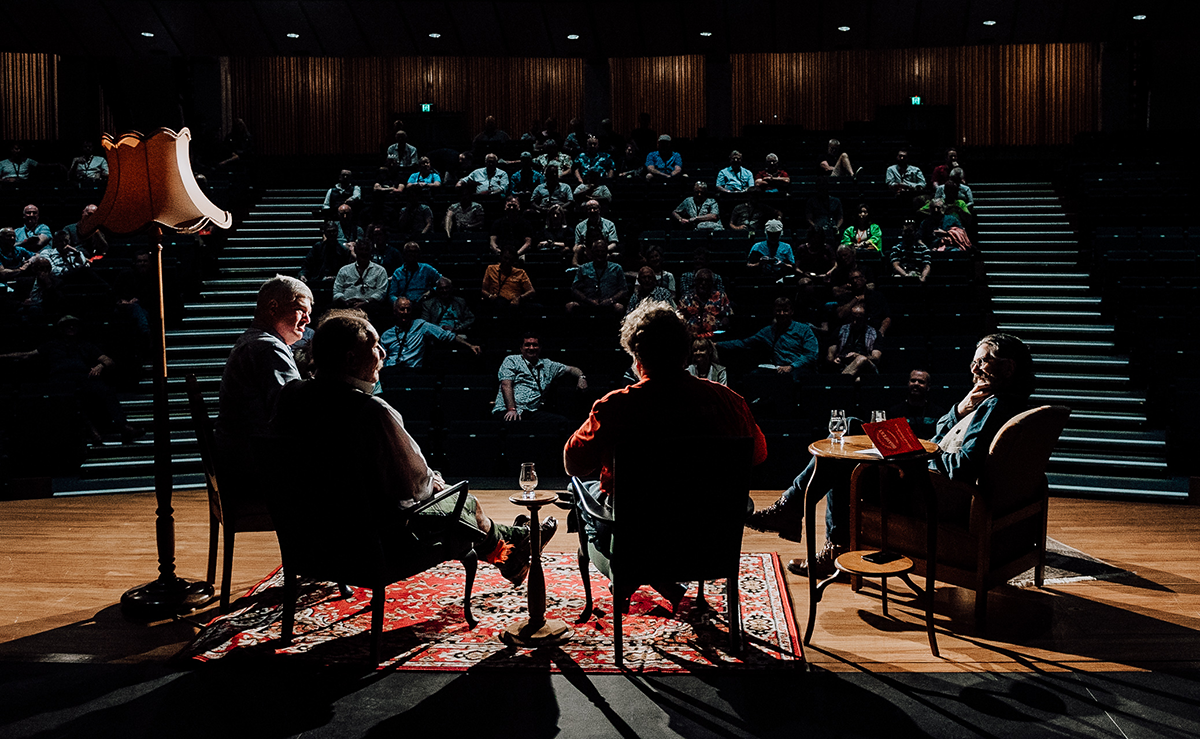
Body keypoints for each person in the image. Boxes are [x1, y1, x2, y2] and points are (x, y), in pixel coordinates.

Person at [272, 311, 554, 588]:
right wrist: (436, 483)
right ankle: (516, 547)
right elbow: (416, 487)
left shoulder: (289, 396)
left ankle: (515, 547)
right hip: (377, 545)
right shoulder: (372, 412)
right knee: (463, 501)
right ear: (350, 358)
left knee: (451, 501)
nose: (383, 354)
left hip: (311, 539)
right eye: (374, 346)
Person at [748, 334, 1036, 576]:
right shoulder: (1003, 402)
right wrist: (961, 408)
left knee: (841, 459)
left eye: (984, 360)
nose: (975, 368)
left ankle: (805, 522)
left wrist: (914, 455)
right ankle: (792, 510)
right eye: (974, 360)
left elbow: (960, 467)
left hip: (928, 492)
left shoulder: (995, 407)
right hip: (926, 480)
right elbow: (942, 432)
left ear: (1008, 368)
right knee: (849, 427)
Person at [563, 301, 768, 603]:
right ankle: (663, 578)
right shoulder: (727, 401)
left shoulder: (615, 406)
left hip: (639, 539)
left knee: (579, 495)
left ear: (637, 357)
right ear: (685, 352)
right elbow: (758, 454)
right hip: (707, 543)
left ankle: (631, 573)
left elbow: (574, 464)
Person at [214, 276, 313, 500]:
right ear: (273, 308)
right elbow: (292, 410)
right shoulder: (267, 348)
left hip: (242, 459)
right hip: (255, 468)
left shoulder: (254, 341)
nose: (308, 319)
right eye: (301, 310)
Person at [0, 315, 141, 445]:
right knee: (68, 400)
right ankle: (92, 432)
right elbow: (26, 355)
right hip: (60, 382)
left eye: (73, 325)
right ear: (61, 329)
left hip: (83, 378)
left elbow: (108, 361)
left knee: (106, 391)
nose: (71, 328)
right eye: (67, 325)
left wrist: (100, 366)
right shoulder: (52, 345)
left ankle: (123, 426)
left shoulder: (85, 345)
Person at [493, 332, 587, 423]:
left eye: (535, 345)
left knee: (561, 422)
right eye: (527, 345)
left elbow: (571, 369)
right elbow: (506, 385)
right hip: (509, 410)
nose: (531, 348)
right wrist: (511, 409)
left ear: (540, 348)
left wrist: (581, 377)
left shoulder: (548, 365)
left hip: (532, 411)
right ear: (521, 348)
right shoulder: (511, 360)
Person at [717, 297, 819, 379]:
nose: (782, 314)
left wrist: (792, 366)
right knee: (753, 376)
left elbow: (810, 354)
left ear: (792, 312)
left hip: (799, 368)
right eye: (778, 311)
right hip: (778, 368)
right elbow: (744, 343)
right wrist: (717, 344)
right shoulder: (768, 331)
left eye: (785, 311)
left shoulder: (804, 329)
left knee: (792, 378)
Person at [380, 297, 479, 370]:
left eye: (408, 309)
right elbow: (380, 359)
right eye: (402, 309)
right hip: (391, 370)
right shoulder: (386, 335)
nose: (405, 312)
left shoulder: (421, 325)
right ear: (395, 311)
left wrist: (470, 345)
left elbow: (447, 335)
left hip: (412, 370)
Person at [566, 239, 628, 315]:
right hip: (587, 303)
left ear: (606, 252)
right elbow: (575, 289)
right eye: (597, 251)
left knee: (620, 308)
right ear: (592, 252)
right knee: (569, 306)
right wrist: (587, 300)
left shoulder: (617, 268)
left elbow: (623, 290)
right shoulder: (583, 268)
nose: (600, 254)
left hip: (609, 304)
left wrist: (611, 300)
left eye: (602, 251)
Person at [826, 305, 882, 376]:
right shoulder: (840, 330)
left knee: (861, 359)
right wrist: (834, 360)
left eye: (859, 319)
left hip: (866, 368)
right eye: (853, 318)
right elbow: (830, 356)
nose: (855, 322)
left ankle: (840, 381)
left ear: (865, 318)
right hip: (844, 365)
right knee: (857, 380)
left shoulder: (875, 333)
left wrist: (857, 356)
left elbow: (876, 358)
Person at [835, 269, 892, 337]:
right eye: (852, 279)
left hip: (874, 331)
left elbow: (887, 317)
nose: (855, 281)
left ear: (864, 279)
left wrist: (881, 331)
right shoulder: (845, 297)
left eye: (857, 278)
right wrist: (856, 299)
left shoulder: (877, 296)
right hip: (851, 333)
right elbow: (841, 315)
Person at [887, 369, 942, 439]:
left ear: (928, 387)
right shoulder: (894, 412)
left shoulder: (938, 413)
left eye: (921, 382)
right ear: (908, 383)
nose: (916, 384)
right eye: (913, 381)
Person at [332, 239, 389, 305]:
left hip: (370, 307)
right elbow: (337, 292)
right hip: (346, 306)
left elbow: (381, 293)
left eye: (366, 250)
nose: (363, 252)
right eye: (361, 250)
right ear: (356, 251)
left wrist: (366, 302)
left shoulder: (380, 271)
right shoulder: (344, 270)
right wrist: (345, 302)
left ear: (370, 253)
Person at [678, 268, 731, 337]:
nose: (703, 283)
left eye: (707, 281)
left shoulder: (721, 296)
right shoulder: (686, 298)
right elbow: (679, 319)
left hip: (715, 336)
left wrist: (721, 325)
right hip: (691, 336)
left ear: (712, 283)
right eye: (700, 280)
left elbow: (727, 316)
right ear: (695, 282)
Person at [482, 245, 535, 311]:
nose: (507, 261)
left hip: (514, 304)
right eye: (505, 258)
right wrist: (490, 296)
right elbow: (483, 290)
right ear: (501, 257)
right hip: (497, 302)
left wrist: (519, 298)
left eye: (510, 260)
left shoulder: (520, 272)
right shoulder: (491, 269)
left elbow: (531, 291)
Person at [571, 200, 619, 265]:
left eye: (594, 208)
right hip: (586, 254)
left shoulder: (609, 224)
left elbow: (613, 243)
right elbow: (576, 244)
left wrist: (600, 250)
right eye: (589, 209)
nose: (592, 211)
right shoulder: (580, 226)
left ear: (599, 209)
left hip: (604, 253)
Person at [805, 177, 843, 245]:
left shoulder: (836, 201)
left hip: (832, 228)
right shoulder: (812, 201)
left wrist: (837, 227)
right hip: (818, 229)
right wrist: (815, 226)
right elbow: (809, 218)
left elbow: (840, 217)